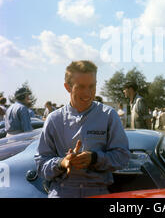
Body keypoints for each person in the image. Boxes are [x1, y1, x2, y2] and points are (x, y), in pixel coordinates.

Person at [35, 60, 130, 198]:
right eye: (80, 87)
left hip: (97, 190)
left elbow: (123, 157)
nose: (87, 93)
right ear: (67, 87)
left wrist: (95, 158)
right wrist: (62, 162)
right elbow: (40, 165)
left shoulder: (108, 115)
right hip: (62, 191)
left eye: (92, 86)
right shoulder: (54, 119)